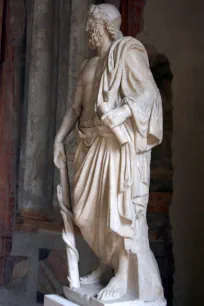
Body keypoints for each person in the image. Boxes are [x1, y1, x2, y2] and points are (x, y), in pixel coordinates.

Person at [54, 3, 164, 302]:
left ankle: (123, 271)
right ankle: (108, 263)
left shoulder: (127, 53)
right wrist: (58, 139)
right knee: (88, 213)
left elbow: (149, 94)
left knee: (117, 208)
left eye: (91, 23)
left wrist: (121, 113)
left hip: (115, 146)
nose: (87, 29)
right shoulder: (88, 65)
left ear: (104, 25)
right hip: (88, 144)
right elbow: (75, 108)